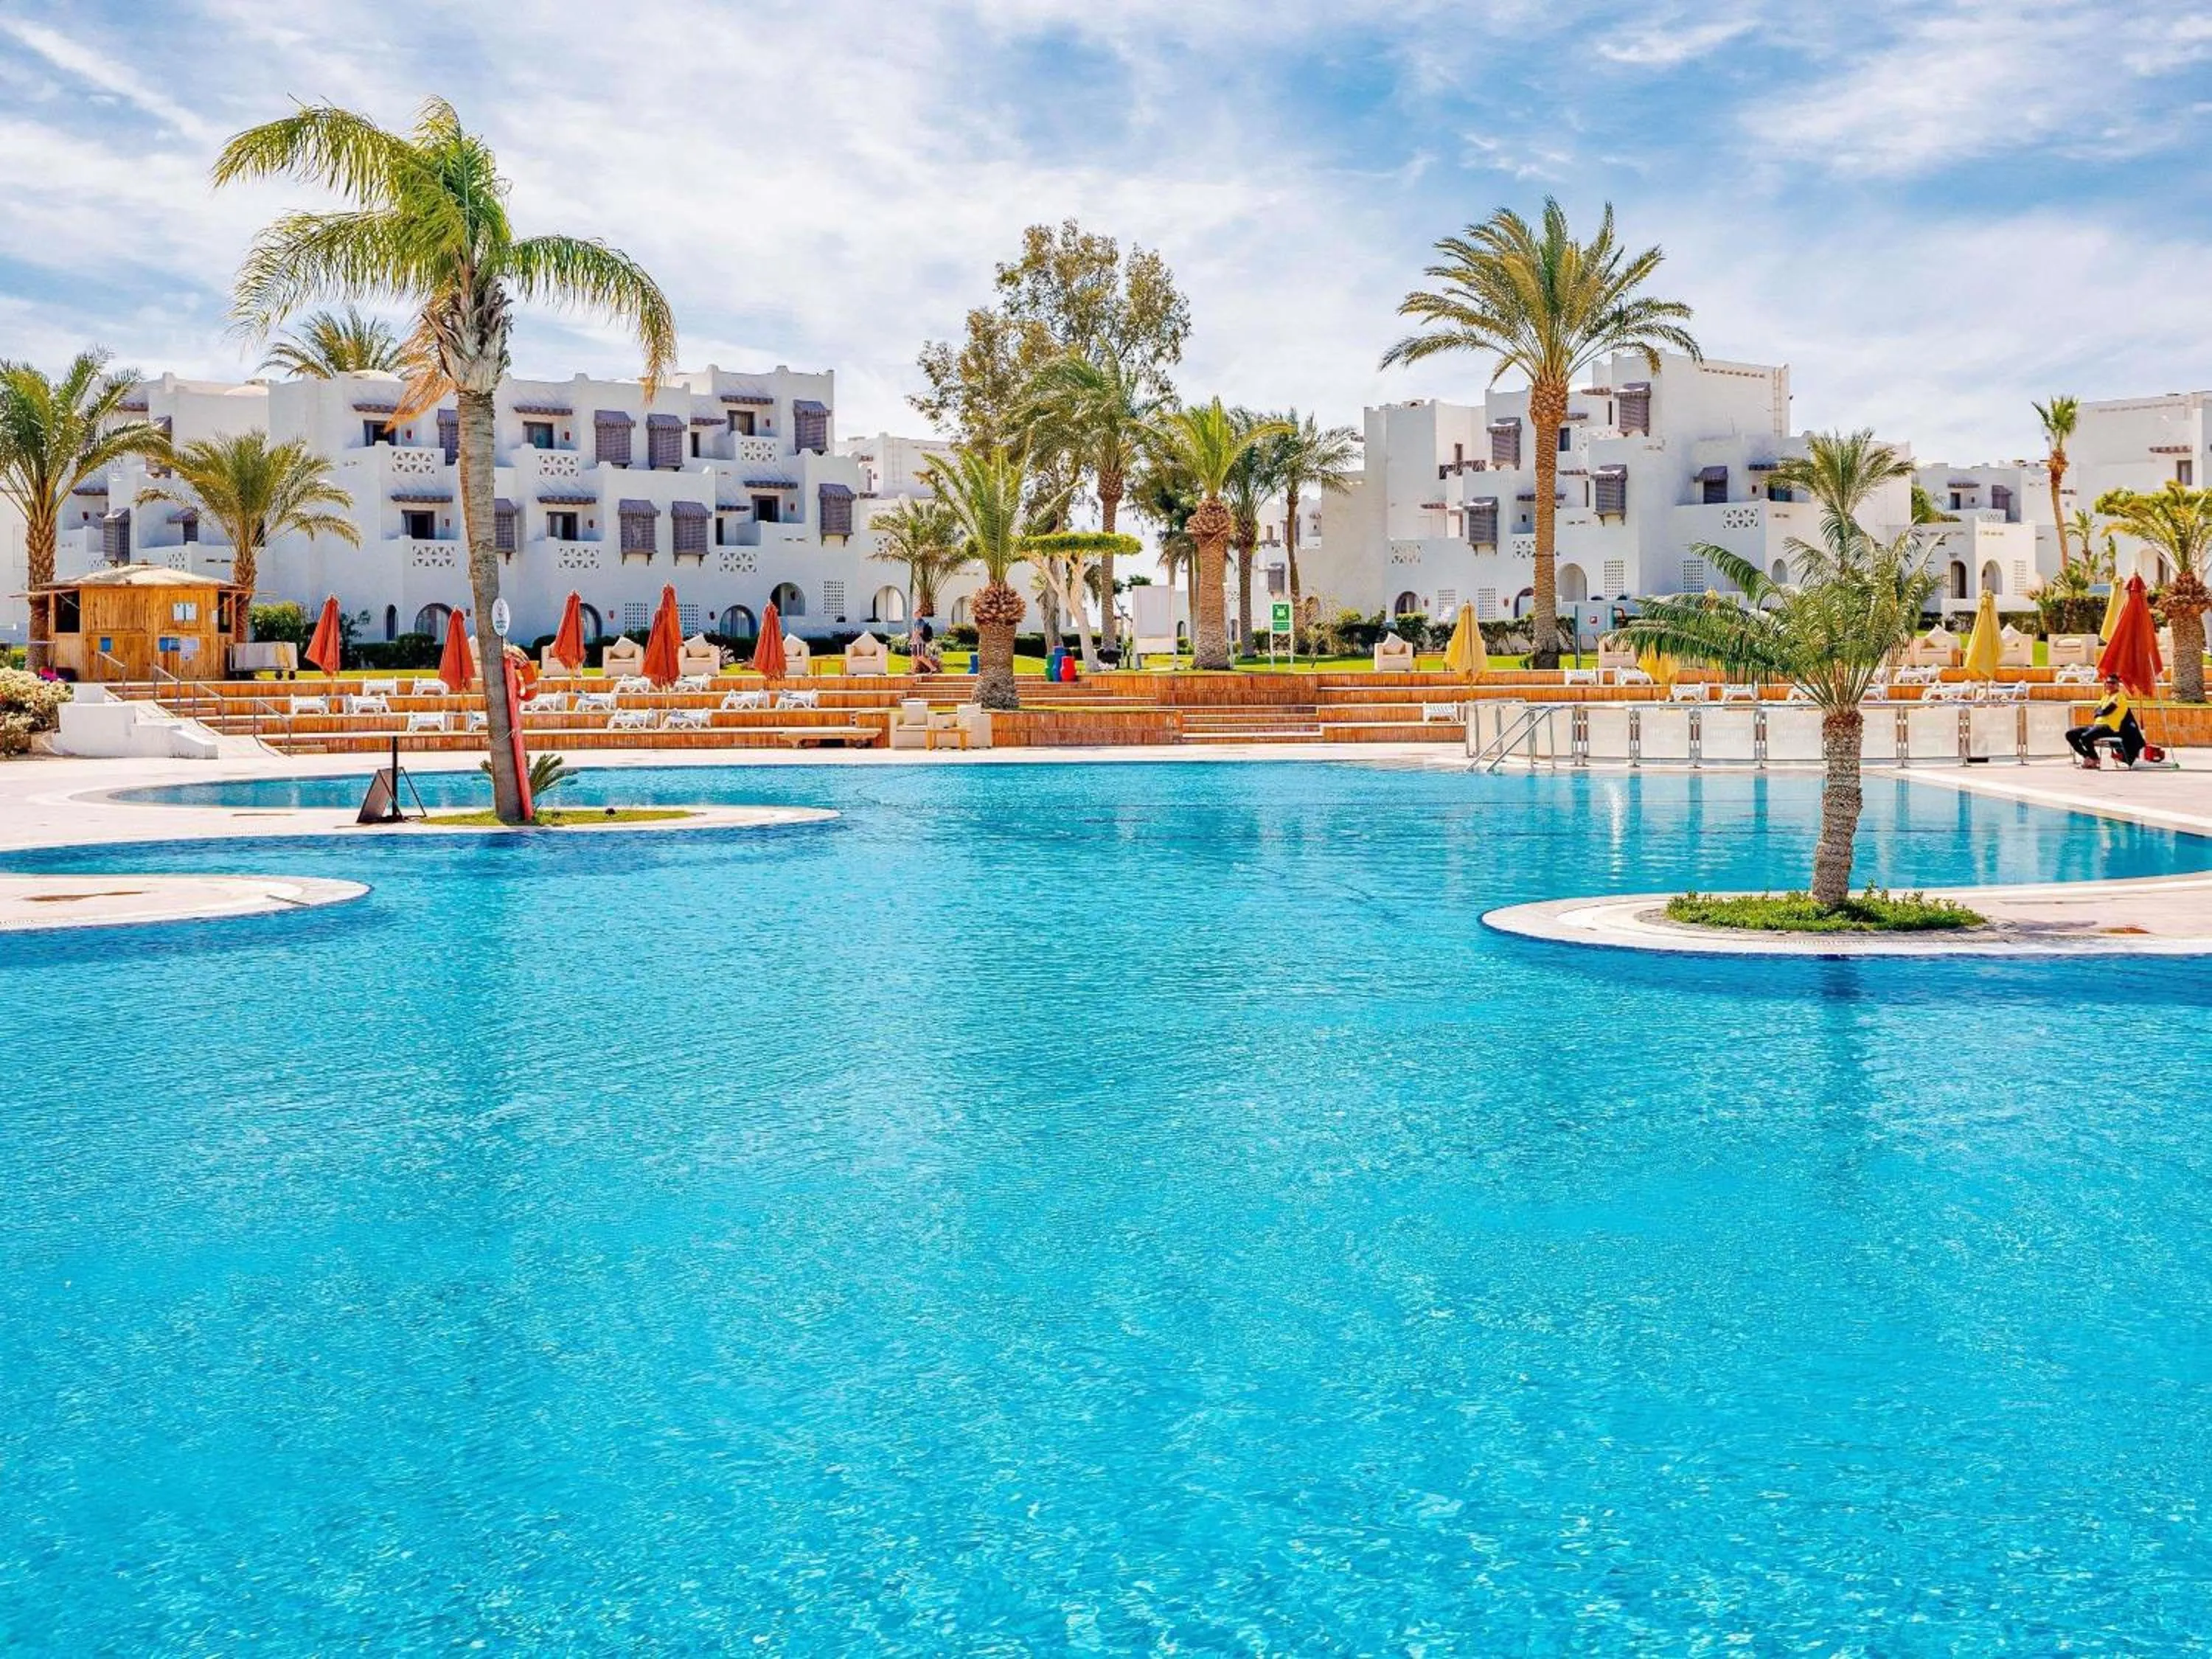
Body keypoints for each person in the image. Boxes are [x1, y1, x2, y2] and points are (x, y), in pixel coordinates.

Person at [2067, 675, 2145, 768]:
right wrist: (2100, 712)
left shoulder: (2119, 696)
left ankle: (2094, 759)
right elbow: (2096, 711)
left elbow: (2107, 710)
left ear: (2118, 685)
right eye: (2108, 682)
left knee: (2085, 737)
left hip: (2109, 727)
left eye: (2113, 683)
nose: (2110, 685)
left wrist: (2101, 712)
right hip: (2097, 726)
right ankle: (2088, 757)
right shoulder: (2105, 697)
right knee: (2071, 734)